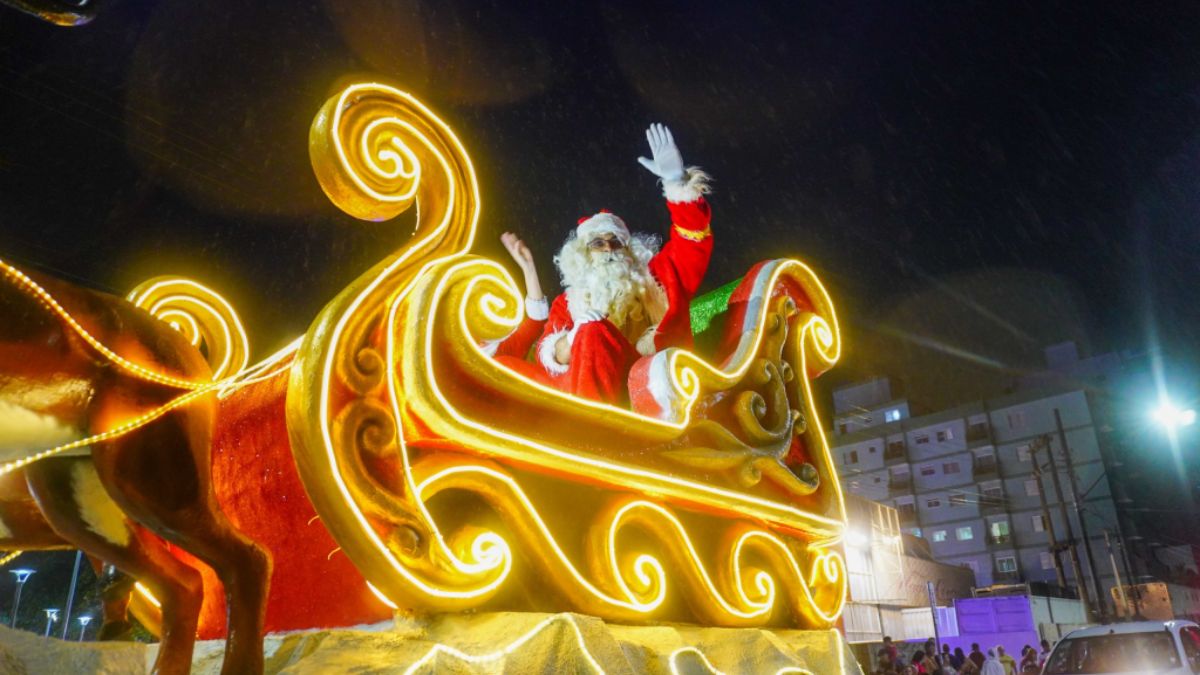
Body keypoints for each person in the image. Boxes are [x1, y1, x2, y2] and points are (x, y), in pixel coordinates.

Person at [490, 123, 713, 406]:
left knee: (595, 332)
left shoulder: (657, 278)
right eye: (598, 243)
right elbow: (548, 359)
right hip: (578, 385)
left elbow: (692, 242)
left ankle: (595, 429)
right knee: (507, 370)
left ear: (630, 249)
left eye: (616, 241)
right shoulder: (566, 303)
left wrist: (678, 184)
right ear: (585, 254)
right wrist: (571, 340)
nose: (608, 248)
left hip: (640, 384)